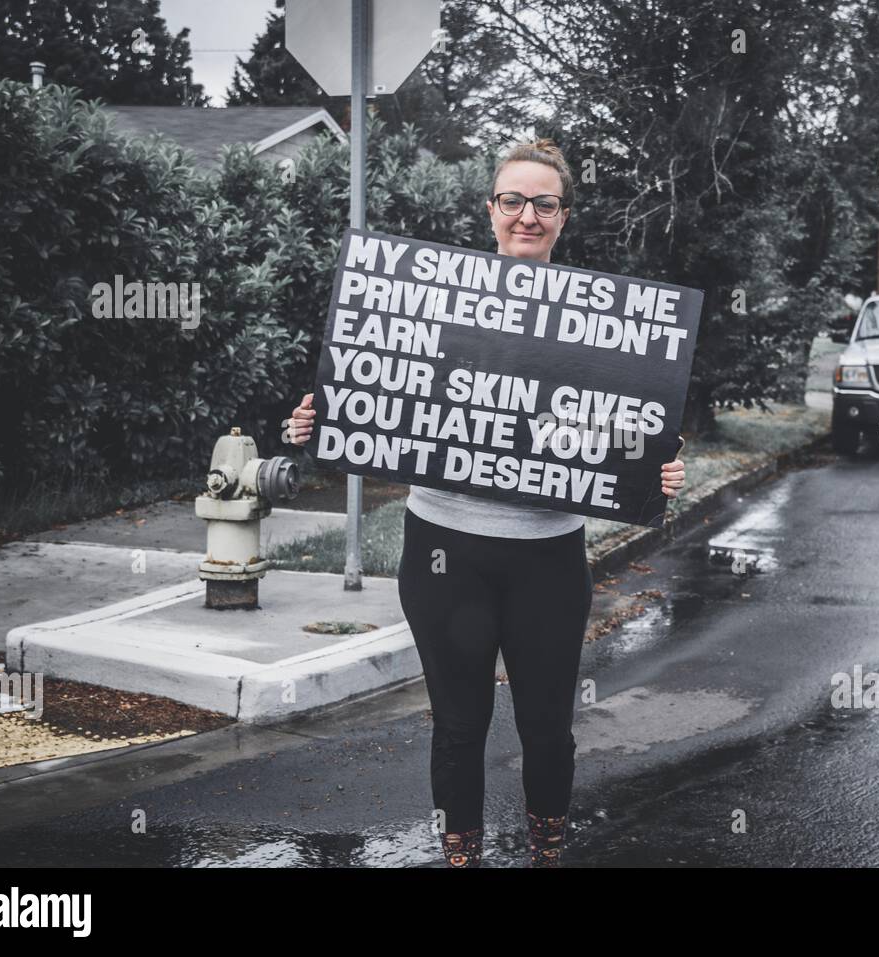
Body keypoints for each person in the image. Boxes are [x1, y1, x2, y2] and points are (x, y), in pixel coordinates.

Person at [287, 139, 686, 867]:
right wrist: (320, 423)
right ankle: (460, 858)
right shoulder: (431, 302)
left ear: (563, 215)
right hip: (445, 549)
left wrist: (654, 472)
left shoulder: (605, 328)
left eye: (544, 202)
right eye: (512, 200)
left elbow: (633, 439)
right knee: (459, 725)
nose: (526, 216)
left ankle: (547, 852)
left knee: (546, 726)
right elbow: (375, 397)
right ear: (490, 209)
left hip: (548, 555)